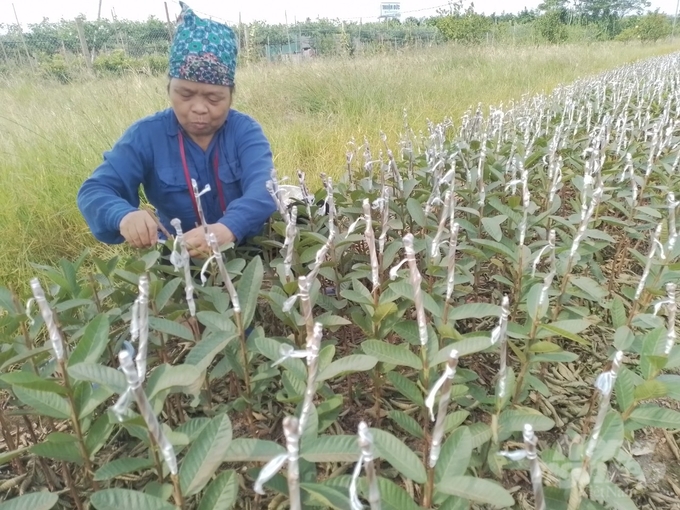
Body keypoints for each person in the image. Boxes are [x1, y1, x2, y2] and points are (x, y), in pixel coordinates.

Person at [77, 2, 276, 258]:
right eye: (185, 94)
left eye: (214, 98)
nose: (199, 108)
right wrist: (123, 215)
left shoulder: (245, 132)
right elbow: (95, 190)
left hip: (249, 252)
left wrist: (229, 227)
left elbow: (265, 188)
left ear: (231, 96)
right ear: (169, 89)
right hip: (180, 258)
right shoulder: (146, 136)